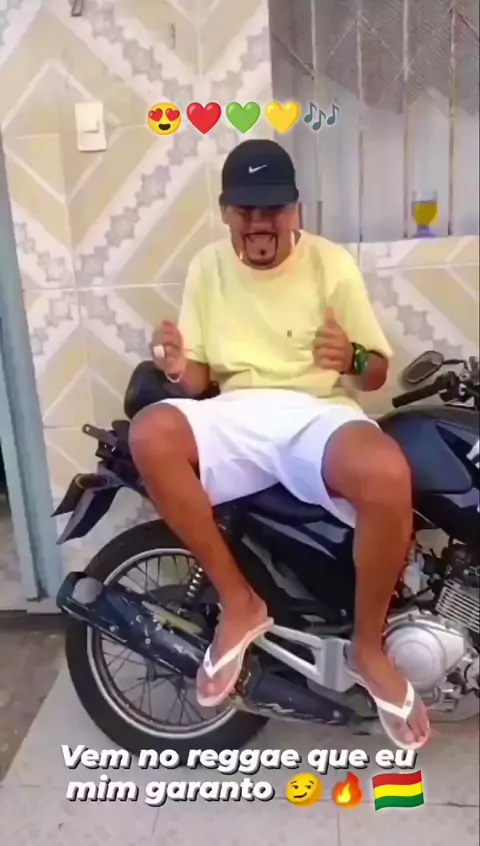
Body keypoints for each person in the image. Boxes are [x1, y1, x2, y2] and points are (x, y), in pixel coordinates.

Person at [129, 139, 430, 750]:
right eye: (246, 211)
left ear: (295, 210)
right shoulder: (208, 267)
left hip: (315, 414)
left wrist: (353, 357)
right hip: (238, 411)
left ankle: (369, 650)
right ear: (225, 212)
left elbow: (375, 373)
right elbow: (200, 381)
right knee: (150, 432)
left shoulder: (330, 265)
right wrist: (178, 366)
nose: (260, 224)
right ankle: (239, 603)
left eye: (273, 209)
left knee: (387, 475)